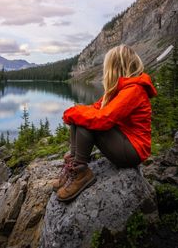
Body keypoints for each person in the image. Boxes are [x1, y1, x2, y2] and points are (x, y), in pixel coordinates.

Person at [53, 44, 157, 202]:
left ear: (115, 67)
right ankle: (73, 167)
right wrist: (74, 111)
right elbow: (96, 107)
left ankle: (81, 173)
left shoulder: (134, 90)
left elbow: (103, 119)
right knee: (79, 118)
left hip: (133, 151)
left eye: (107, 67)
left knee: (85, 122)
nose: (105, 71)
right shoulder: (121, 89)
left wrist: (75, 113)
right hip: (123, 142)